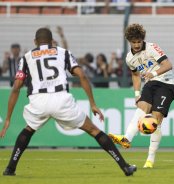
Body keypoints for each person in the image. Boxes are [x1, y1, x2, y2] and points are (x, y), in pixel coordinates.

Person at [0, 27, 136, 176]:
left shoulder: (26, 57)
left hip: (38, 101)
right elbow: (82, 75)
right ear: (52, 41)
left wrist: (8, 118)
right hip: (61, 100)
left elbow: (16, 87)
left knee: (28, 130)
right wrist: (93, 104)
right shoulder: (63, 52)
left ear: (35, 42)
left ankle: (10, 169)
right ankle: (125, 167)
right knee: (94, 130)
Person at [108, 23, 174, 168]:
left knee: (156, 119)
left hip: (166, 83)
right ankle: (127, 138)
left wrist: (153, 73)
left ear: (142, 40)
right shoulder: (129, 58)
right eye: (134, 42)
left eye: (139, 41)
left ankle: (150, 159)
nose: (137, 44)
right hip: (150, 84)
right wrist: (137, 94)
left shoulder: (152, 47)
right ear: (129, 41)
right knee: (142, 106)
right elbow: (135, 74)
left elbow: (168, 64)